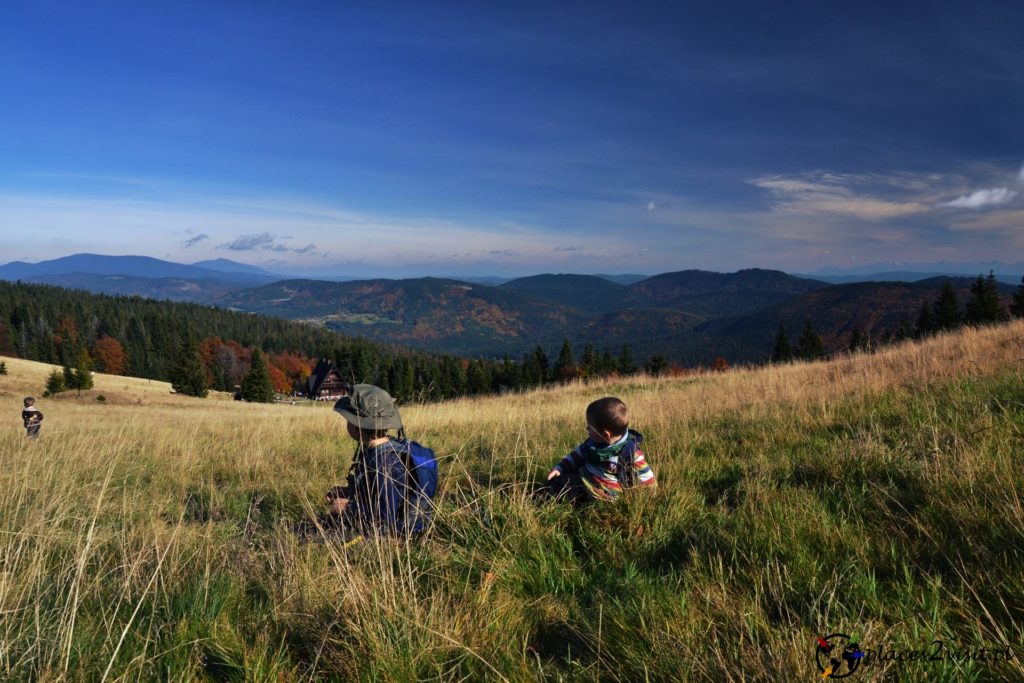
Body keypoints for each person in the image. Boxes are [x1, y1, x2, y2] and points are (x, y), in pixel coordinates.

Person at [325, 384, 436, 538]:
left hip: (389, 536)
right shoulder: (385, 450)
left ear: (358, 427)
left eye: (349, 419)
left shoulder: (382, 463)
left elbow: (385, 519)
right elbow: (377, 494)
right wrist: (348, 492)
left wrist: (348, 508)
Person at [546, 396, 656, 504]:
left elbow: (648, 479)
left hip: (604, 496)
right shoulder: (592, 444)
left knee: (556, 489)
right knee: (557, 482)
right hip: (585, 479)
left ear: (605, 435)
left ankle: (550, 495)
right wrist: (559, 468)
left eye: (590, 428)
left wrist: (648, 498)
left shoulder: (630, 453)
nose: (587, 429)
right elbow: (576, 456)